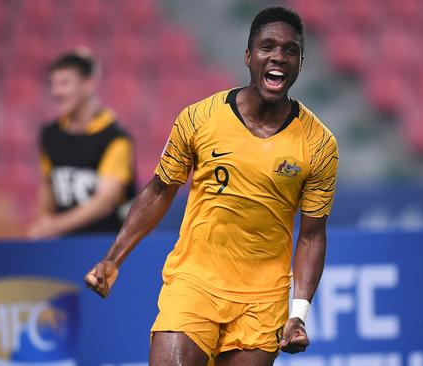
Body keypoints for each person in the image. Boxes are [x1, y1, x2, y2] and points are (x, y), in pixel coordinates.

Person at [84, 7, 338, 366]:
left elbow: (312, 235)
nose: (278, 57)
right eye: (268, 47)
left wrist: (298, 313)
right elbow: (159, 191)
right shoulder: (199, 119)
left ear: (300, 63)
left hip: (262, 300)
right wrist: (113, 259)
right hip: (194, 283)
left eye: (290, 50)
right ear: (249, 56)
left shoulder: (319, 143)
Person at [28, 49, 137, 239]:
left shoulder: (114, 137)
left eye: (64, 83)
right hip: (65, 244)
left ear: (88, 85)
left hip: (108, 245)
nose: (56, 92)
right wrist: (43, 223)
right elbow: (48, 187)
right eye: (52, 85)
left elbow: (105, 202)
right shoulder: (50, 135)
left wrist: (54, 226)